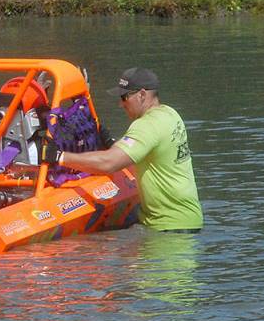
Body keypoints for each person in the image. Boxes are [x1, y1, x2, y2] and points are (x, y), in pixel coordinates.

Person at [41, 67, 203, 233]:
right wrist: (109, 141)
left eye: (124, 97)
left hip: (169, 228)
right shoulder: (169, 114)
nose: (121, 104)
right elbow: (143, 152)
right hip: (185, 220)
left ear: (142, 95)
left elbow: (110, 162)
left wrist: (60, 156)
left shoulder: (147, 125)